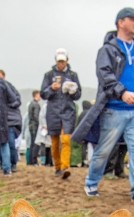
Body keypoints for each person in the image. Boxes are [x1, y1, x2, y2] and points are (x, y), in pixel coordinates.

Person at [73, 7, 134, 202]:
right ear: (120, 22)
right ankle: (91, 182)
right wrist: (123, 93)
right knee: (103, 150)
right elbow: (104, 76)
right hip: (114, 109)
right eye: (132, 19)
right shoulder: (108, 50)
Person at [41, 48, 82, 179]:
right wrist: (51, 89)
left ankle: (65, 167)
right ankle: (57, 166)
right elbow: (43, 94)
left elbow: (78, 95)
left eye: (63, 61)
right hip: (53, 111)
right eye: (59, 61)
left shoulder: (73, 75)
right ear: (55, 61)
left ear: (67, 60)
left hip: (68, 111)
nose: (61, 64)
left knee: (65, 140)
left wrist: (73, 91)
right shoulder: (48, 75)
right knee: (54, 142)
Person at [0, 69, 23, 172]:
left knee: (11, 143)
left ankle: (13, 163)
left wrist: (7, 106)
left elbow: (17, 101)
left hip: (11, 120)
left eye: (0, 76)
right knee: (0, 144)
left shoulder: (10, 87)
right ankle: (3, 163)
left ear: (4, 76)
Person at [36, 95, 52, 166]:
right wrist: (45, 125)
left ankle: (49, 162)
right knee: (43, 145)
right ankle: (43, 161)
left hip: (50, 128)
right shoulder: (45, 106)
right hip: (44, 129)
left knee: (49, 146)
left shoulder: (52, 106)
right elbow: (42, 117)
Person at [27, 91, 42, 165]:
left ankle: (30, 160)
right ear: (36, 95)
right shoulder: (36, 105)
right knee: (35, 144)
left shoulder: (31, 104)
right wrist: (41, 124)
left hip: (31, 126)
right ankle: (34, 161)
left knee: (32, 144)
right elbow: (36, 116)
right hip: (35, 126)